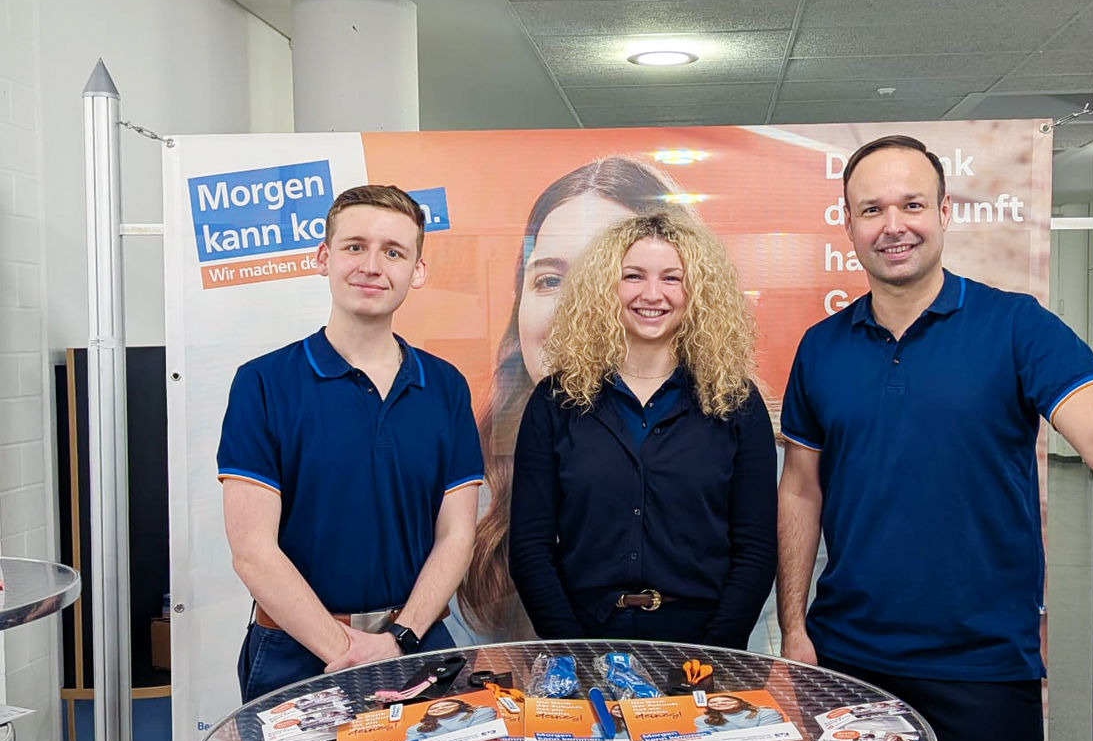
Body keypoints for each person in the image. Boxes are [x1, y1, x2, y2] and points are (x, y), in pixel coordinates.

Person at [776, 135, 1093, 741]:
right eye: (871, 210)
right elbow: (800, 489)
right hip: (847, 656)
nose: (893, 225)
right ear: (849, 223)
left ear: (945, 212)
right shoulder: (821, 347)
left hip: (984, 664)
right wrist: (792, 631)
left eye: (912, 204)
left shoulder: (1016, 327)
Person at [218, 184, 483, 702]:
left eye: (393, 251)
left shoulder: (445, 386)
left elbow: (456, 536)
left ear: (417, 271)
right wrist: (348, 649)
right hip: (296, 652)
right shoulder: (264, 384)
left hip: (417, 647)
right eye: (355, 246)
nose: (372, 265)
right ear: (324, 257)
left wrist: (398, 639)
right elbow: (252, 550)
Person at [508, 210, 776, 648]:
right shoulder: (555, 401)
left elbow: (755, 550)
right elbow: (530, 547)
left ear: (698, 293)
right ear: (605, 288)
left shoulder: (736, 402)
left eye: (672, 278)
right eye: (633, 276)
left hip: (701, 649)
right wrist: (575, 652)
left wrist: (716, 653)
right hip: (586, 642)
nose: (653, 294)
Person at [460, 157, 687, 640]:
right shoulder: (468, 491)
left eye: (609, 275)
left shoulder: (741, 438)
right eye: (550, 280)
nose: (573, 311)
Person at [405, 699, 496, 740]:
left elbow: (479, 736)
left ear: (460, 706)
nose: (440, 709)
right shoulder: (415, 729)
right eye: (434, 709)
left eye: (447, 705)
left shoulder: (482, 712)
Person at [693, 694, 785, 731]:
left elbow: (771, 735)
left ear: (740, 702)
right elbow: (708, 740)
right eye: (713, 703)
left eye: (727, 701)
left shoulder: (766, 713)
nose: (720, 703)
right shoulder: (703, 720)